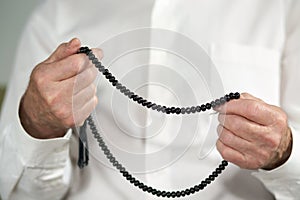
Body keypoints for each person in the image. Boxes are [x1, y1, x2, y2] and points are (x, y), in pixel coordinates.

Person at [0, 0, 299, 199]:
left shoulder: (284, 9)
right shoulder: (58, 13)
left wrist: (285, 151)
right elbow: (15, 191)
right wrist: (36, 125)